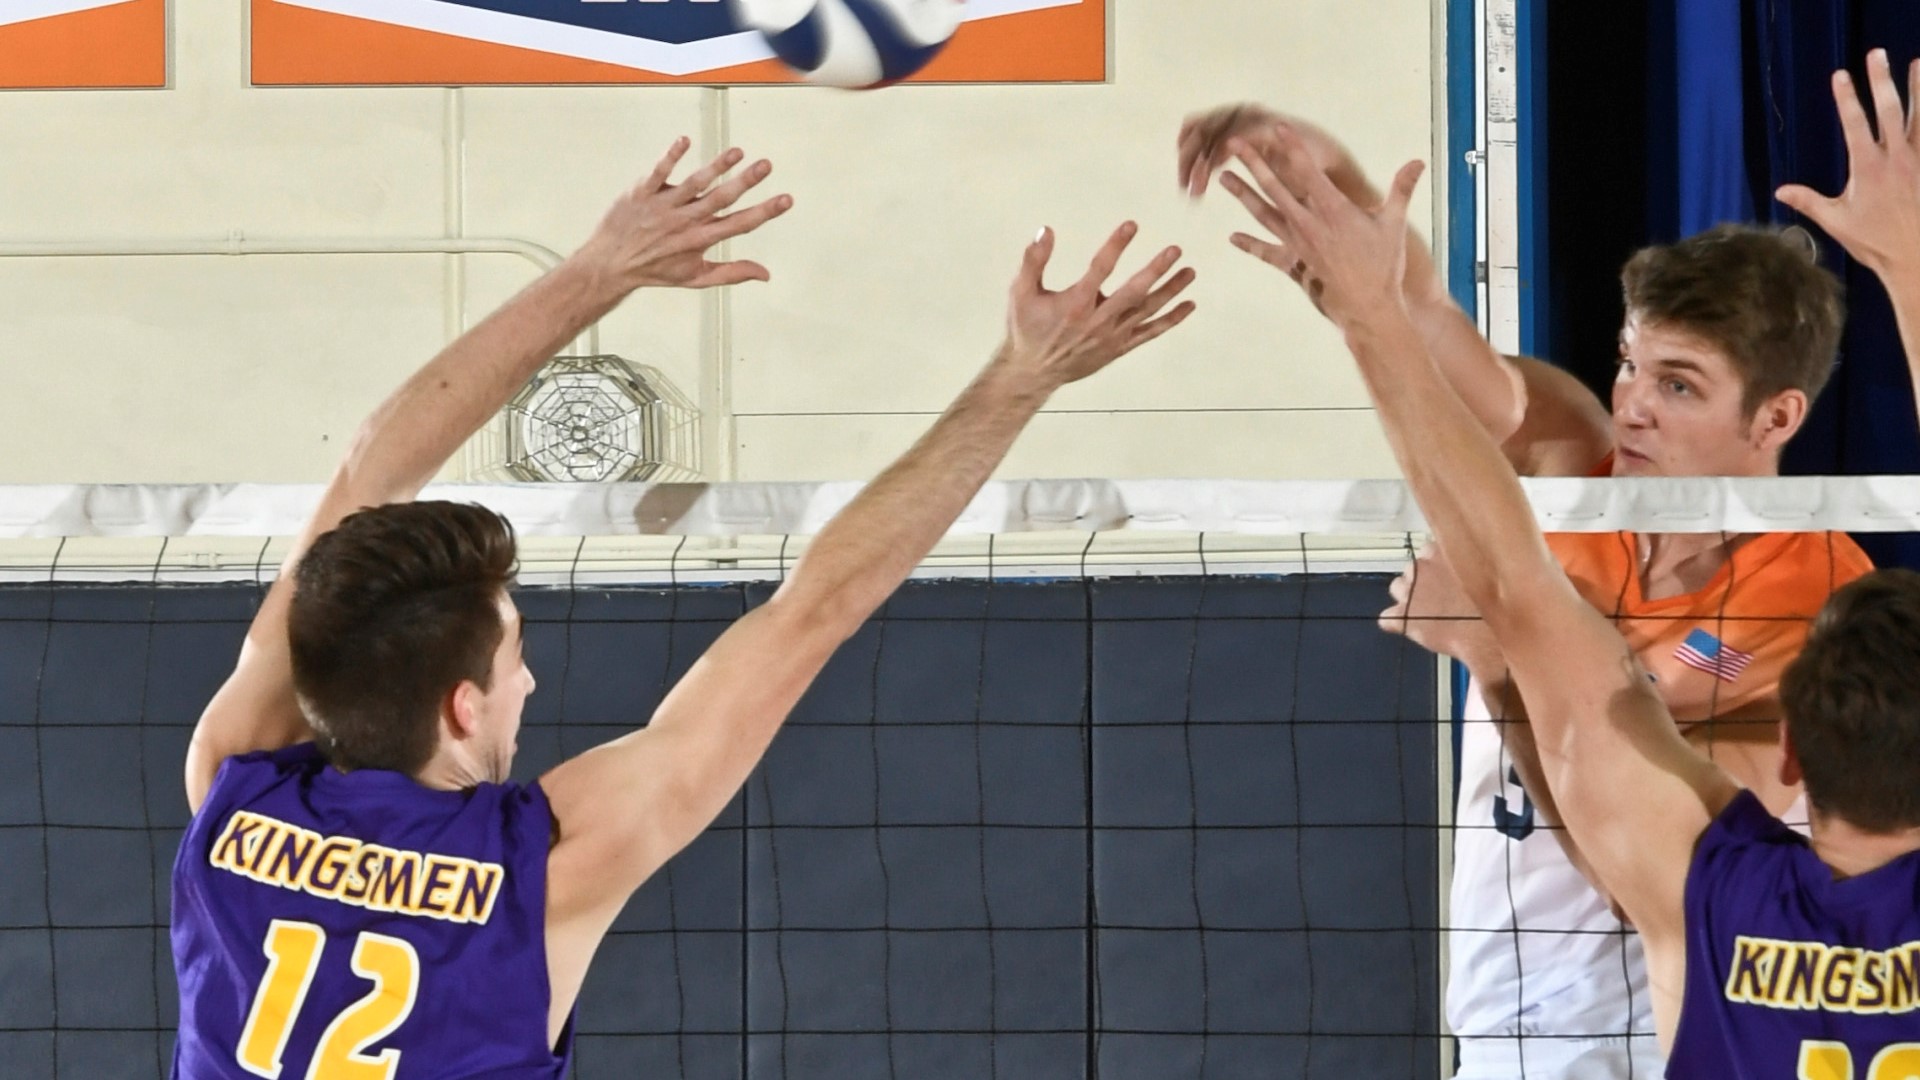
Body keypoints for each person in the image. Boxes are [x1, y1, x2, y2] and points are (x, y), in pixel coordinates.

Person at [170, 138, 1197, 1078]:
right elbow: (811, 610)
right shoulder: (549, 867)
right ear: (462, 706)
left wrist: (594, 272)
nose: (527, 676)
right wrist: (1021, 377)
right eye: (512, 656)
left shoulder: (231, 791)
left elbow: (364, 472)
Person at [1220, 91, 1920, 1077]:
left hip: (1679, 1013)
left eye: (1678, 385)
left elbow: (1636, 857)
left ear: (1776, 418)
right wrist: (1322, 182)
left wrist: (1507, 665)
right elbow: (1421, 314)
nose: (1632, 407)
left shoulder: (1825, 606)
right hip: (1510, 1020)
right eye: (1629, 364)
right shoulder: (1566, 461)